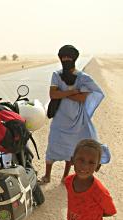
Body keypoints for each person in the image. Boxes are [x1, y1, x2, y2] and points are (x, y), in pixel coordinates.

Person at [40, 45, 107, 184]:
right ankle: (47, 176)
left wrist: (63, 94)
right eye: (63, 57)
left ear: (74, 58)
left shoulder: (83, 78)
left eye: (68, 57)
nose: (66, 59)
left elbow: (82, 98)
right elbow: (53, 94)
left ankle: (65, 177)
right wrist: (73, 91)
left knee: (71, 150)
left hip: (76, 120)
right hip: (59, 118)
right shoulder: (56, 75)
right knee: (52, 145)